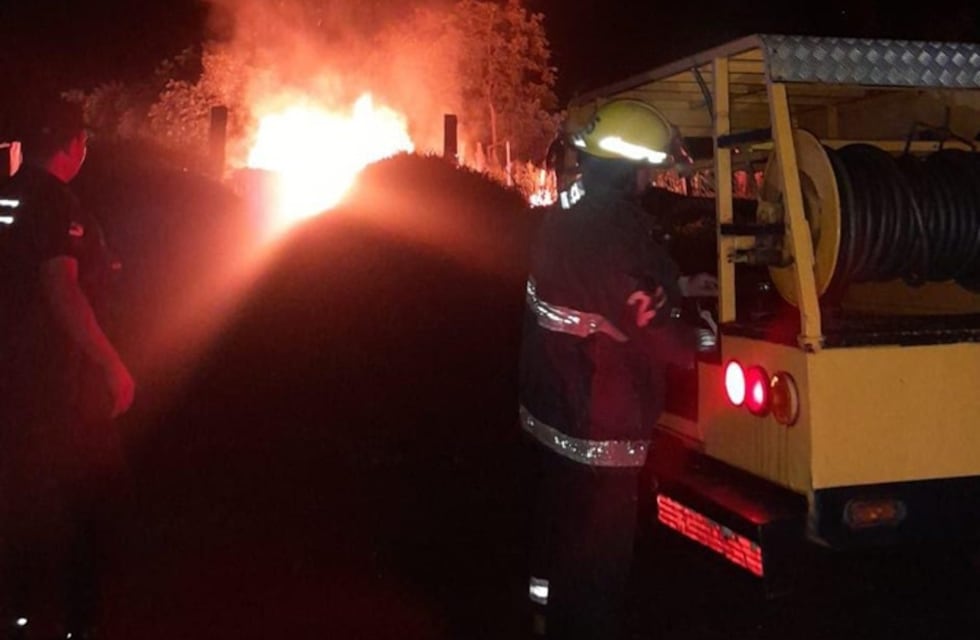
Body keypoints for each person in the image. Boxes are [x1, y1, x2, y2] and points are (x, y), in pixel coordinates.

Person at [518, 98, 716, 640]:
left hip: (553, 402)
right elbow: (646, 321)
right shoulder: (615, 231)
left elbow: (599, 286)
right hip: (596, 416)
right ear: (630, 168)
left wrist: (678, 284)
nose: (652, 180)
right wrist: (698, 338)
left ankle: (541, 608)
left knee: (555, 517)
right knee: (601, 553)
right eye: (649, 169)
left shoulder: (571, 206)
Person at [0, 96, 135, 640]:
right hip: (56, 382)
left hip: (13, 377)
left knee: (24, 496)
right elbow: (61, 289)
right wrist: (112, 364)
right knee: (96, 501)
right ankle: (80, 624)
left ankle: (18, 616)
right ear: (72, 144)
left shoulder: (6, 193)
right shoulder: (55, 203)